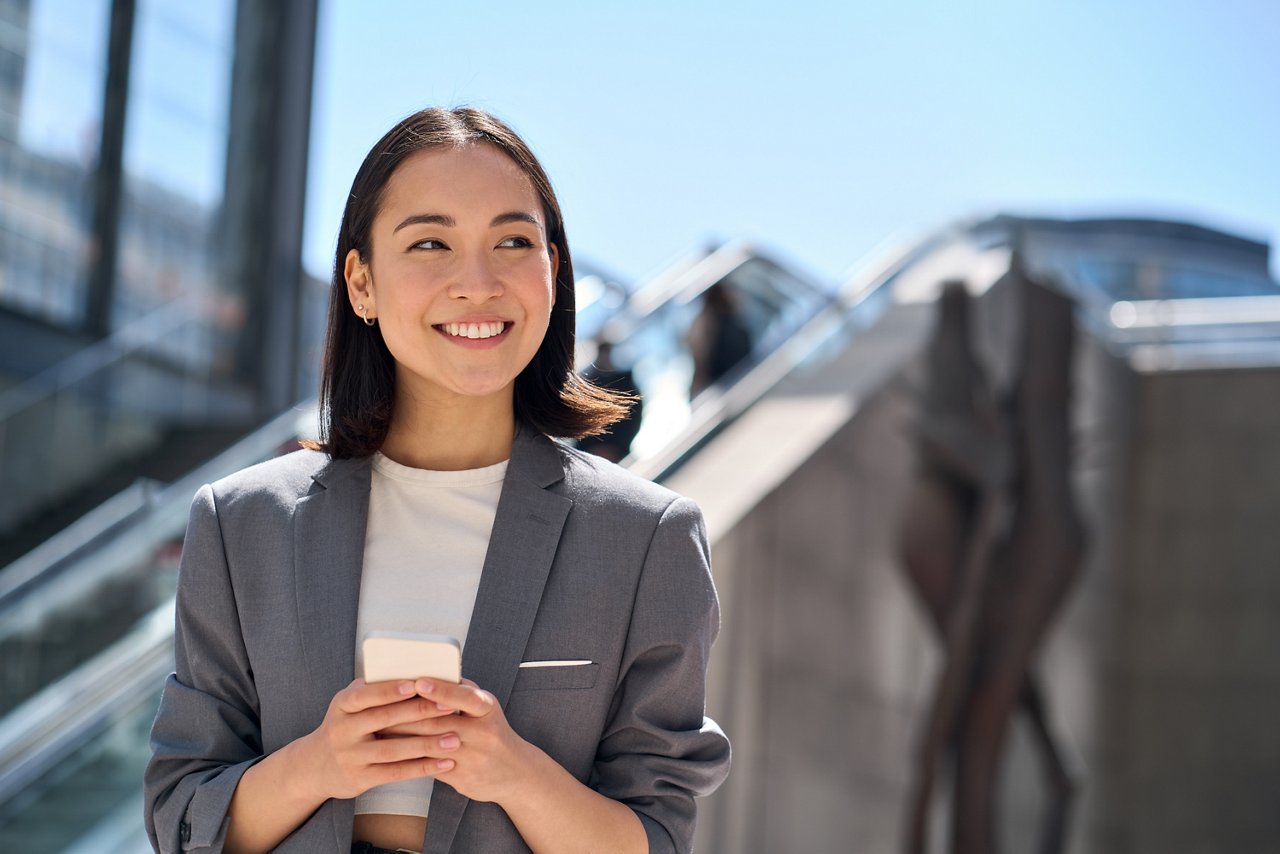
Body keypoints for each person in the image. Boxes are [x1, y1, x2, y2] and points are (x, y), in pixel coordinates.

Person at [144, 107, 730, 854]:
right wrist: (320, 765)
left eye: (513, 242)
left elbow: (658, 837)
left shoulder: (647, 539)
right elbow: (181, 817)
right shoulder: (240, 523)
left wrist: (513, 770)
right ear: (361, 282)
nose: (477, 283)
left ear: (552, 271)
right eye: (430, 243)